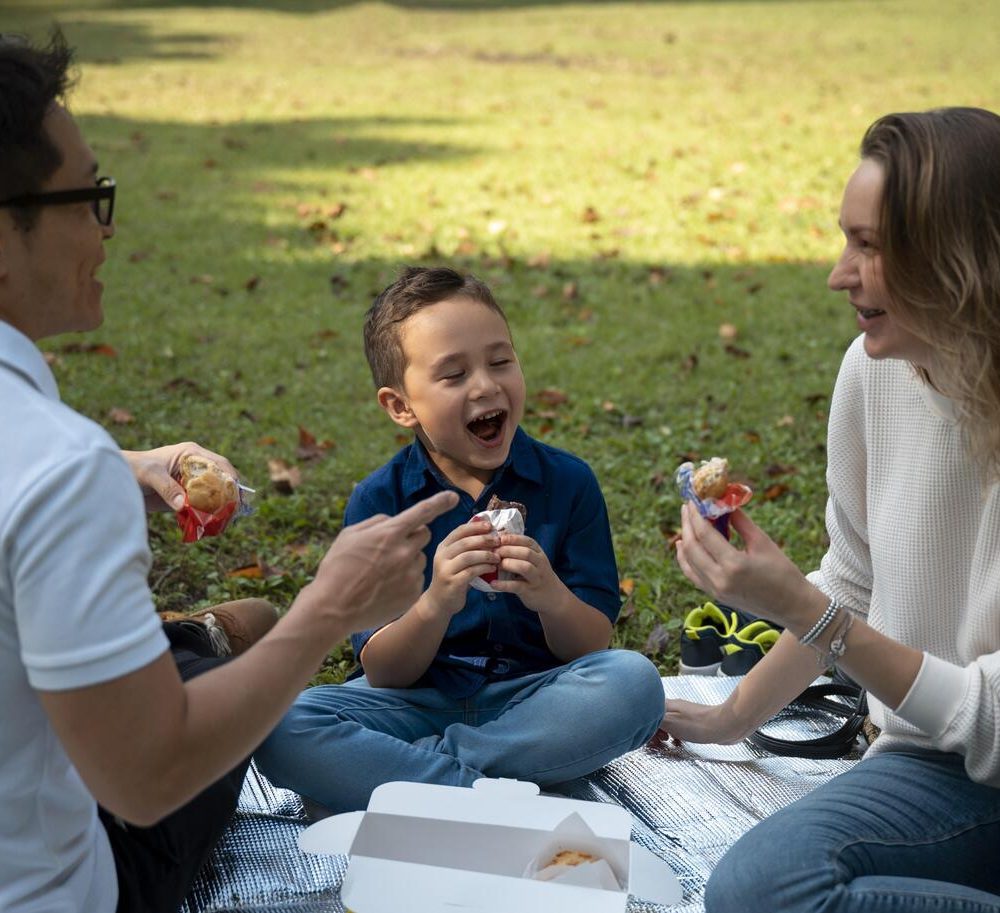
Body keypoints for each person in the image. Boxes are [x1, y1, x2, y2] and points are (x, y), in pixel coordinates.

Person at [0, 31, 457, 913]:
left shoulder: (56, 462)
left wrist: (133, 464)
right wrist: (328, 608)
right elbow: (146, 776)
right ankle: (205, 643)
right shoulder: (58, 469)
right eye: (87, 196)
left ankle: (196, 638)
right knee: (219, 708)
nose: (109, 223)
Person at [664, 107, 1000, 912]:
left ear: (959, 259)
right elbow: (852, 580)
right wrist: (729, 718)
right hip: (927, 762)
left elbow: (989, 720)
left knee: (761, 893)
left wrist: (806, 610)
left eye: (871, 246)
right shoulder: (874, 370)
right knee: (761, 886)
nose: (839, 272)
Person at [255, 266, 665, 814]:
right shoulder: (380, 504)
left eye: (501, 361)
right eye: (453, 375)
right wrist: (436, 603)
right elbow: (383, 671)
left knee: (634, 682)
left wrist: (548, 595)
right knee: (282, 723)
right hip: (411, 703)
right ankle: (493, 793)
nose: (486, 385)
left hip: (532, 700)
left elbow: (591, 645)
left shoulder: (568, 484)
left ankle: (421, 777)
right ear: (401, 406)